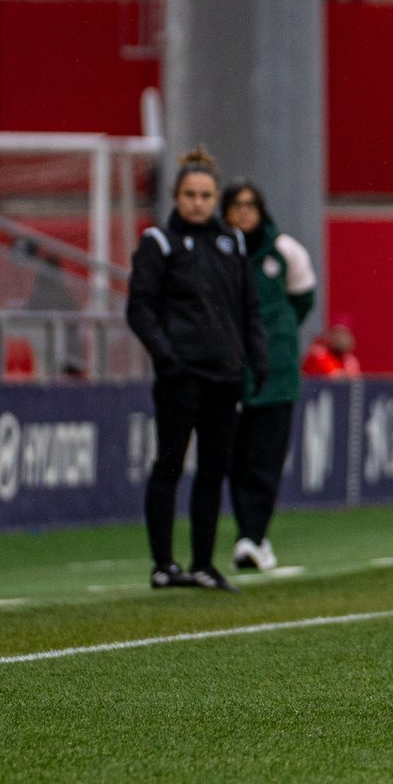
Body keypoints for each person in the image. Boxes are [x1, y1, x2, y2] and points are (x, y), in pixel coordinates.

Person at [127, 147, 267, 593]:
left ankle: (204, 563)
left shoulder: (232, 242)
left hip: (224, 377)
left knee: (213, 470)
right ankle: (163, 564)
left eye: (206, 194)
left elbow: (248, 309)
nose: (198, 202)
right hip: (180, 376)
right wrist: (167, 357)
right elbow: (140, 308)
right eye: (189, 194)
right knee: (168, 464)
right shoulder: (159, 243)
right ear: (176, 195)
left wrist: (256, 358)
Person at [220, 180, 317, 572]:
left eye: (250, 205)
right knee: (235, 461)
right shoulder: (215, 251)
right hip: (227, 373)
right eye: (236, 205)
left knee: (265, 460)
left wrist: (274, 337)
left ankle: (253, 537)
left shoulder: (285, 250)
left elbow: (303, 299)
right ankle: (250, 535)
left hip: (275, 376)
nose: (244, 212)